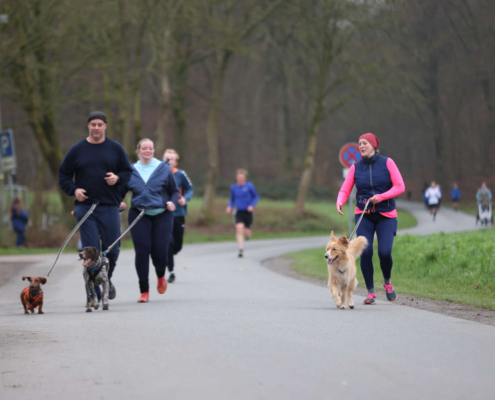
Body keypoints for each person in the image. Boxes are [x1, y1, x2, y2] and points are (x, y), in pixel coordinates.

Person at [59, 111, 133, 301]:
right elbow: (64, 176)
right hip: (85, 207)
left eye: (100, 124)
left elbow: (127, 172)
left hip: (109, 206)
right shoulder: (77, 150)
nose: (97, 128)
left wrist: (117, 178)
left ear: (105, 126)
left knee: (113, 250)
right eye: (93, 125)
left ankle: (106, 278)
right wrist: (74, 190)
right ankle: (96, 292)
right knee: (91, 251)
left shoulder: (115, 149)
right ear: (88, 126)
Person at [336, 133, 405, 305]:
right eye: (359, 143)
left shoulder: (387, 163)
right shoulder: (356, 167)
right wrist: (340, 201)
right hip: (364, 214)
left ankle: (387, 283)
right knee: (365, 252)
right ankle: (371, 292)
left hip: (386, 215)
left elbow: (400, 186)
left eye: (365, 143)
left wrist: (381, 197)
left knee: (384, 252)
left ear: (374, 145)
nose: (361, 146)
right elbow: (345, 189)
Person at [123, 139, 179, 303]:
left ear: (154, 150)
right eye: (144, 148)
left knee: (160, 251)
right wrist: (119, 202)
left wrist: (172, 203)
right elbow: (120, 191)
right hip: (139, 214)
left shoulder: (163, 168)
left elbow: (174, 191)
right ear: (138, 151)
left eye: (150, 148)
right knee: (142, 251)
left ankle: (161, 275)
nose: (147, 150)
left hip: (162, 214)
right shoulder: (131, 170)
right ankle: (144, 291)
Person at [163, 149, 194, 283]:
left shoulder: (181, 174)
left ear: (176, 162)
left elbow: (190, 189)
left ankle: (169, 254)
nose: (169, 161)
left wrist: (185, 199)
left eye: (172, 159)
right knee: (168, 243)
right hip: (164, 213)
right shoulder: (158, 173)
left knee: (177, 245)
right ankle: (171, 271)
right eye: (166, 158)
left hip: (179, 213)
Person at [226, 169, 259, 258]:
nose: (240, 179)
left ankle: (247, 236)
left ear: (245, 178)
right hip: (238, 211)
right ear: (236, 178)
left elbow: (256, 197)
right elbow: (232, 199)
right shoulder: (233, 187)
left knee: (246, 232)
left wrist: (251, 205)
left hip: (248, 212)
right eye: (239, 177)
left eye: (242, 177)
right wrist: (229, 206)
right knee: (239, 228)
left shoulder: (249, 186)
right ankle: (240, 250)